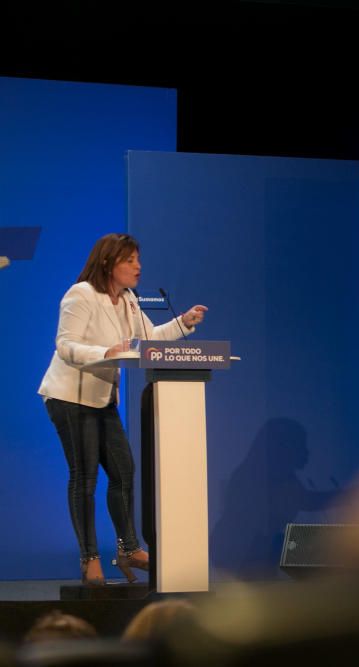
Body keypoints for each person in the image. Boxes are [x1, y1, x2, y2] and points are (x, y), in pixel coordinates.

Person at [38, 233, 208, 586]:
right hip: (71, 396)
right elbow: (65, 345)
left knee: (123, 471)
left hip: (101, 398)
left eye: (138, 260)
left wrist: (184, 322)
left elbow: (149, 338)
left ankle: (129, 550)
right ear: (107, 263)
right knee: (85, 478)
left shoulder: (128, 300)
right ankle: (89, 559)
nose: (138, 266)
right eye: (130, 260)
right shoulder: (81, 294)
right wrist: (105, 352)